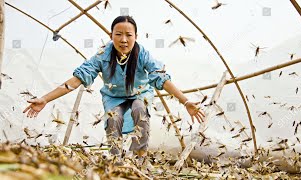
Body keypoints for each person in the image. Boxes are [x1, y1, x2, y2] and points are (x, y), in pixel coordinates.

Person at [23, 15, 205, 158]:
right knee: (113, 118)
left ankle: (138, 158)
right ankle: (115, 161)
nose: (123, 39)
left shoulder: (143, 55)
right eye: (118, 34)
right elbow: (76, 80)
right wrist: (45, 99)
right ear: (111, 36)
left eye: (129, 35)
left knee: (140, 109)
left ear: (136, 36)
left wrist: (186, 101)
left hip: (140, 94)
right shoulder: (103, 55)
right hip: (113, 96)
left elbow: (162, 79)